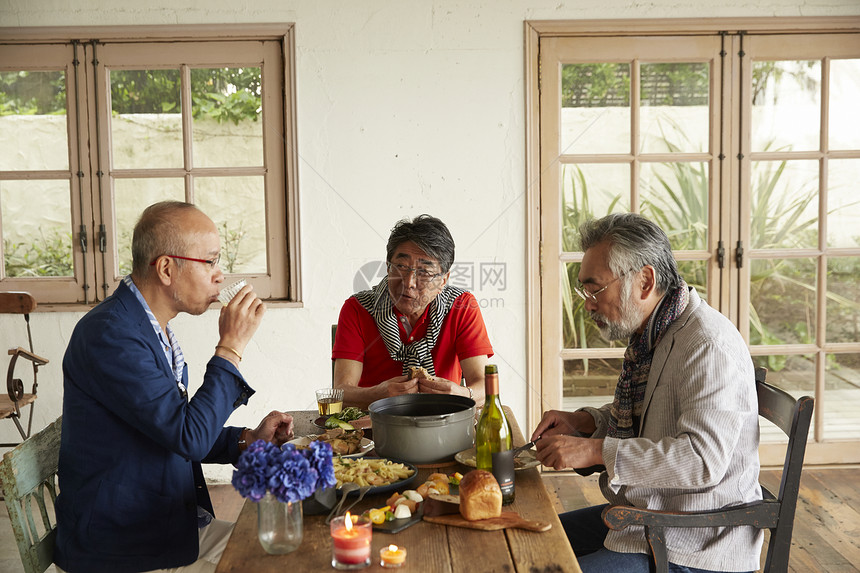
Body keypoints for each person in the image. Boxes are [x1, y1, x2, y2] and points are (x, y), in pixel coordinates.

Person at [54, 201, 294, 573]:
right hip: (125, 547)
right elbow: (189, 436)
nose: (220, 275)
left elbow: (173, 426)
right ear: (167, 268)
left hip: (167, 525)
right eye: (210, 261)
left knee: (285, 545)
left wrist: (247, 440)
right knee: (282, 557)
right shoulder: (111, 335)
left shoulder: (148, 327)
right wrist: (230, 347)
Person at [532, 213, 762, 573]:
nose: (588, 304)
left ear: (644, 281)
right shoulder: (655, 333)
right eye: (585, 290)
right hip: (649, 516)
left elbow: (702, 461)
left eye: (594, 289)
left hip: (696, 540)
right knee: (532, 542)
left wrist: (593, 449)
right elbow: (650, 417)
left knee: (545, 564)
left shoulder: (707, 344)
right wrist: (586, 422)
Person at [332, 214, 494, 409]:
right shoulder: (357, 309)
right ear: (387, 267)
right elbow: (340, 391)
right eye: (400, 267)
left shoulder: (461, 306)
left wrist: (460, 394)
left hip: (443, 424)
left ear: (443, 280)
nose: (408, 282)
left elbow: (487, 386)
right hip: (374, 428)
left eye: (424, 272)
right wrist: (379, 395)